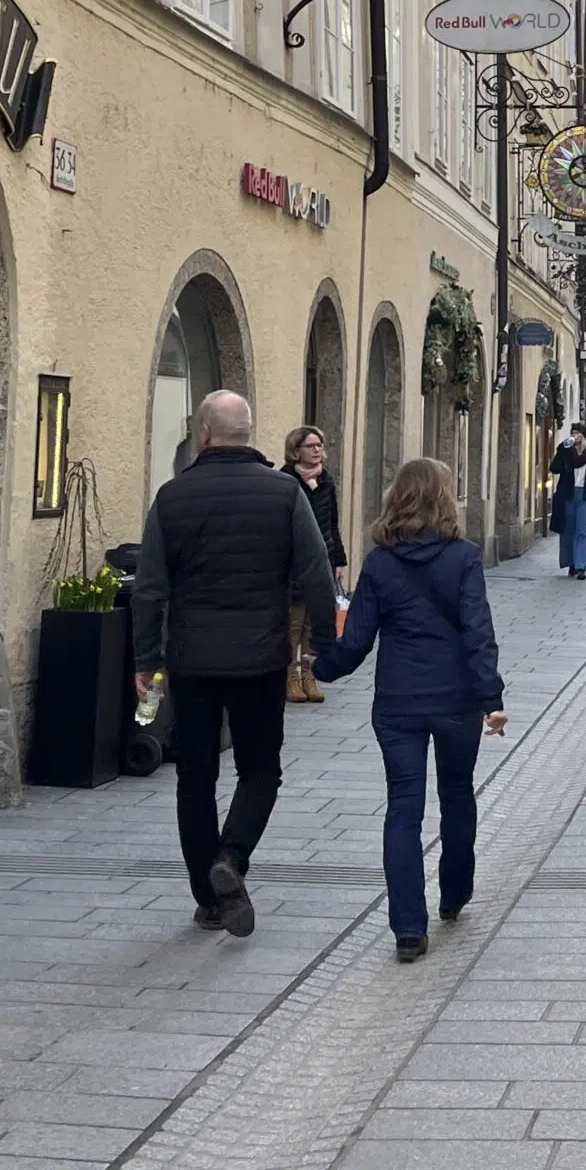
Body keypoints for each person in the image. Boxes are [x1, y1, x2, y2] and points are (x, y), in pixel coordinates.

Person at [132, 391, 337, 937]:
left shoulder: (172, 497)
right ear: (249, 433)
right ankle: (233, 858)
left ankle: (209, 896)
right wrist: (320, 643)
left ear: (203, 433)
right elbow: (317, 573)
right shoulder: (283, 493)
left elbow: (149, 589)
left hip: (193, 660)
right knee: (261, 767)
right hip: (260, 657)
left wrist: (146, 660)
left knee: (195, 775)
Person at [313, 459, 506, 962]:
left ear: (397, 497)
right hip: (457, 700)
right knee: (458, 793)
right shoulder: (463, 557)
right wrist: (491, 699)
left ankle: (407, 929)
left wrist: (320, 668)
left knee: (403, 808)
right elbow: (478, 632)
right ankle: (455, 891)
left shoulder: (379, 562)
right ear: (444, 499)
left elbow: (355, 643)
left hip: (398, 702)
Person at [281, 424, 348, 703]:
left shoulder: (326, 482)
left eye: (319, 445)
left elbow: (332, 524)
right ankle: (290, 676)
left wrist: (340, 560)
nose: (317, 450)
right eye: (311, 446)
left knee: (314, 623)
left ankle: (309, 674)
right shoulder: (285, 482)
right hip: (295, 562)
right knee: (294, 623)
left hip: (323, 560)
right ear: (296, 451)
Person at [550, 425, 586, 580]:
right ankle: (571, 563)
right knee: (568, 530)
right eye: (572, 433)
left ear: (583, 436)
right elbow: (554, 468)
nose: (574, 436)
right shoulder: (566, 451)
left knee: (583, 531)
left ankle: (581, 566)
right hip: (568, 494)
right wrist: (562, 449)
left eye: (577, 433)